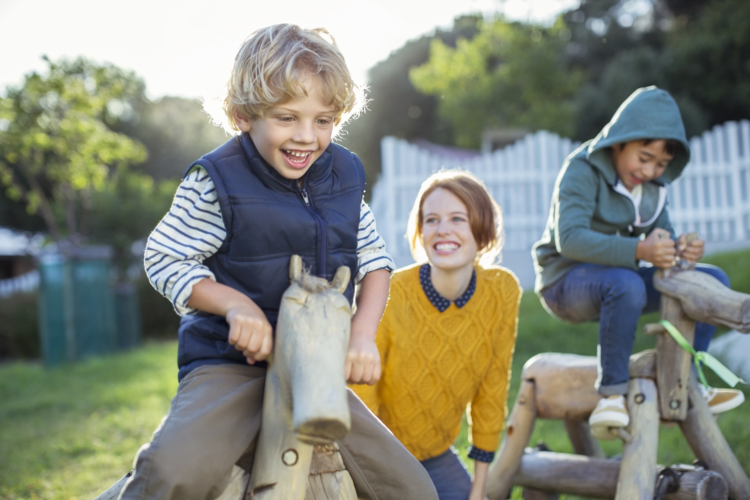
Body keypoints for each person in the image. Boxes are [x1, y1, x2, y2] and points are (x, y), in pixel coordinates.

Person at [119, 24, 439, 500]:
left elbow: (375, 261)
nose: (307, 137)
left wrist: (363, 335)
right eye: (287, 118)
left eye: (324, 120)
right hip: (233, 368)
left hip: (317, 369)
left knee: (411, 490)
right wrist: (234, 306)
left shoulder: (344, 176)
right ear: (242, 115)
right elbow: (165, 257)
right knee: (174, 474)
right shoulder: (216, 182)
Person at [532, 86, 744, 440]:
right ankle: (611, 394)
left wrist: (681, 251)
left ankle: (687, 380)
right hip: (565, 283)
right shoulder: (581, 169)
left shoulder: (652, 188)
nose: (648, 170)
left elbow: (661, 242)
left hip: (618, 282)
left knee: (712, 279)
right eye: (643, 158)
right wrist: (639, 251)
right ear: (619, 142)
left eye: (660, 164)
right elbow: (569, 239)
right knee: (626, 283)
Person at [353, 170, 522, 500]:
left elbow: (493, 387)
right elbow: (361, 394)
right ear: (420, 232)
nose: (442, 229)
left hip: (437, 454)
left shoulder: (502, 291)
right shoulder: (392, 294)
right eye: (431, 220)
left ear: (482, 230)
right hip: (376, 452)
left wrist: (478, 489)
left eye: (458, 218)